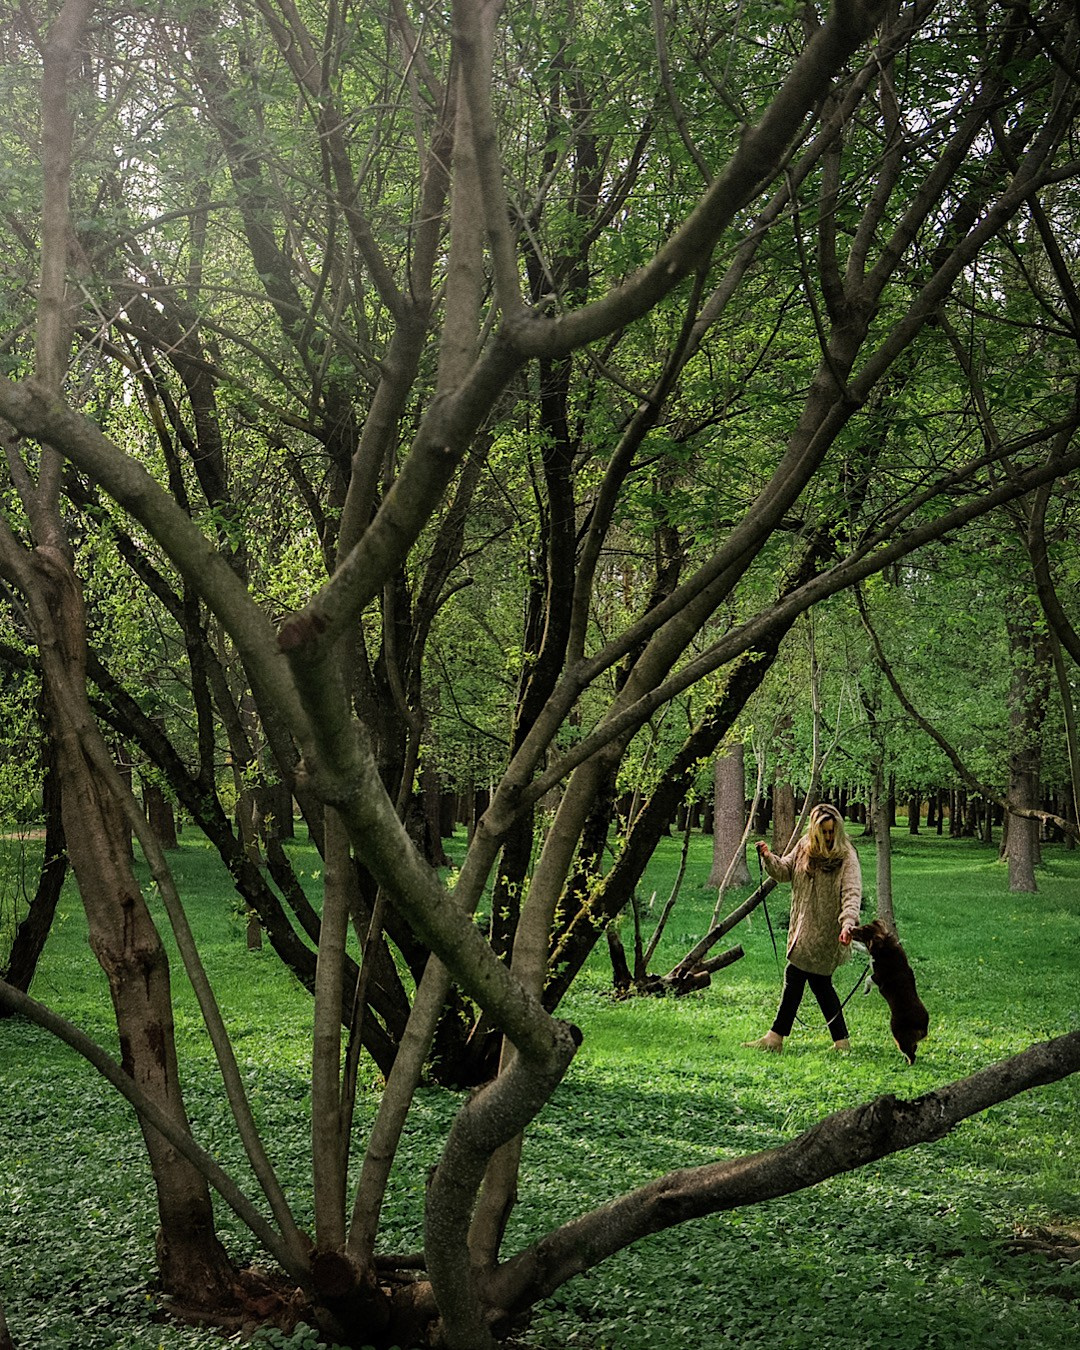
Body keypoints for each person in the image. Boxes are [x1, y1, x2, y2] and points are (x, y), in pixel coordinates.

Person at [743, 802, 861, 1054]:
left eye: (832, 831)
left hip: (827, 931)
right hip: (803, 925)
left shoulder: (846, 855)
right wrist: (767, 857)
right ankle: (841, 1042)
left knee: (798, 976)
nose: (829, 837)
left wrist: (848, 923)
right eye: (824, 832)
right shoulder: (804, 847)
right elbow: (784, 871)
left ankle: (775, 1038)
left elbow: (852, 892)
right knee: (819, 984)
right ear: (815, 830)